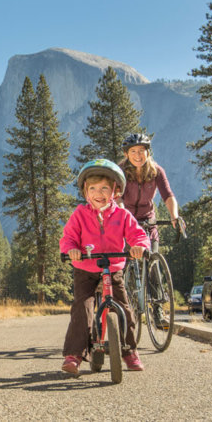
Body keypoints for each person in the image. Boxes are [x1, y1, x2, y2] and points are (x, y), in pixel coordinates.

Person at [59, 159, 151, 376]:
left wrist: (139, 246)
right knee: (83, 308)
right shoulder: (80, 214)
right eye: (92, 189)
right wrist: (71, 249)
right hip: (85, 268)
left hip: (113, 267)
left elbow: (138, 234)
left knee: (124, 308)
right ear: (85, 192)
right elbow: (68, 237)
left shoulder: (122, 215)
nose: (98, 193)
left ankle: (129, 351)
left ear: (115, 192)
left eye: (104, 188)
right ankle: (74, 355)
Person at [118, 133, 179, 253]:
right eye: (133, 151)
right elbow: (117, 197)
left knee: (153, 258)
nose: (138, 155)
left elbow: (168, 195)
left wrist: (174, 215)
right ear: (126, 154)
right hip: (127, 221)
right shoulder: (120, 171)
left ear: (148, 152)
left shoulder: (156, 171)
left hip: (148, 220)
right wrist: (123, 216)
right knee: (125, 262)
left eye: (141, 150)